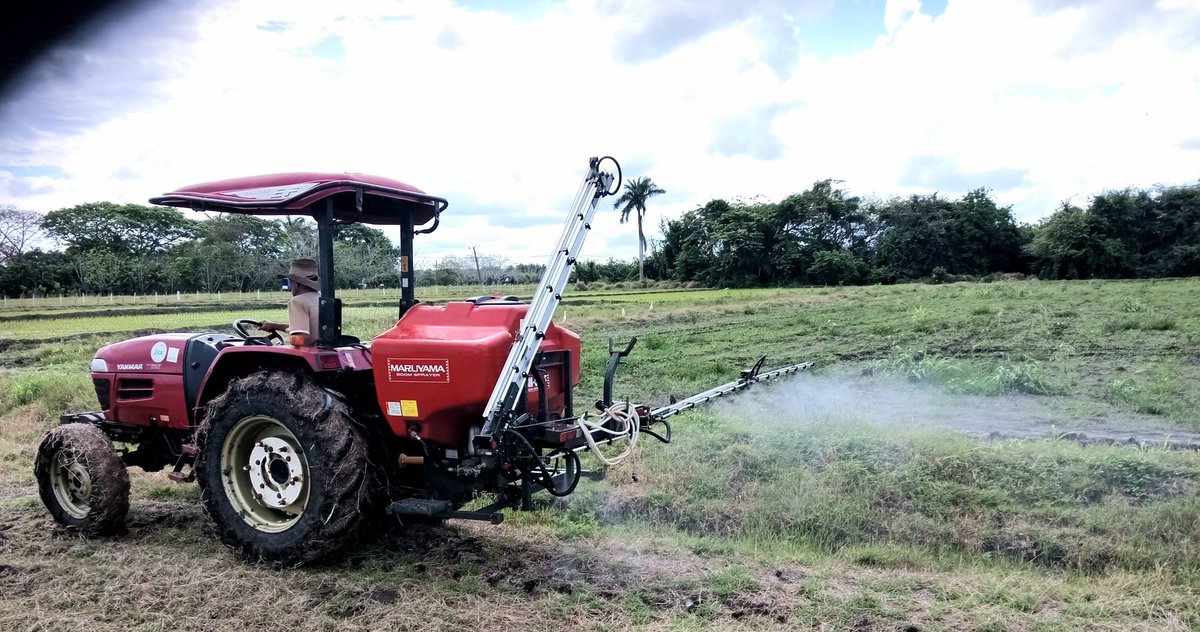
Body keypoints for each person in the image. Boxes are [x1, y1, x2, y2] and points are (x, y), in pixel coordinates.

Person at [260, 258, 320, 346]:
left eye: (290, 282)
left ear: (296, 283)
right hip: (321, 349)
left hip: (306, 351)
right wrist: (274, 325)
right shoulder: (320, 298)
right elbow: (302, 330)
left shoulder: (297, 301)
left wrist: (282, 344)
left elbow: (300, 339)